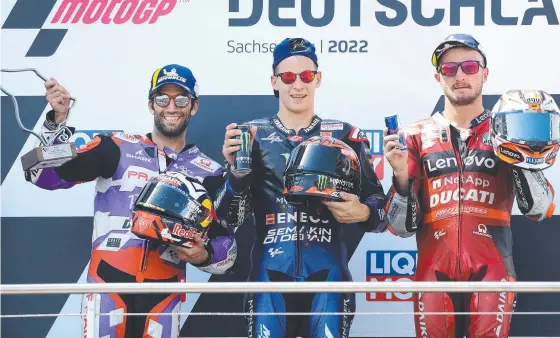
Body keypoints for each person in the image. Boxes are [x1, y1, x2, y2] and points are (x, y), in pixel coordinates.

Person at [24, 64, 243, 338]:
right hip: (106, 285)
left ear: (194, 106)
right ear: (151, 105)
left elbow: (228, 247)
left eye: (181, 99)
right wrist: (56, 122)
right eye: (162, 98)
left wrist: (205, 255)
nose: (171, 106)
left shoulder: (210, 172)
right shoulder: (115, 147)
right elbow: (41, 175)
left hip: (165, 294)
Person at [383, 34, 556, 338]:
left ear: (485, 74)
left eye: (470, 67)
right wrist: (399, 179)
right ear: (438, 77)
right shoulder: (413, 136)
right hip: (432, 273)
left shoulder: (508, 128)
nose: (460, 76)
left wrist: (526, 157)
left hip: (493, 269)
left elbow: (540, 210)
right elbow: (400, 228)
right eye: (449, 69)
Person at [221, 37, 388, 338]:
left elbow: (380, 207)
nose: (297, 85)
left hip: (329, 278)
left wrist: (362, 212)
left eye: (306, 76)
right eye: (288, 77)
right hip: (268, 277)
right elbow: (227, 219)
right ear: (274, 81)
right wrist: (235, 174)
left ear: (318, 79)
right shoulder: (251, 135)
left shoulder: (345, 134)